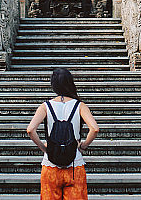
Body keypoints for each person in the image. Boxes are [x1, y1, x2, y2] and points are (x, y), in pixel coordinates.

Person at [27, 68, 100, 200]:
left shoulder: (45, 106)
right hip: (74, 165)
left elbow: (30, 130)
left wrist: (45, 148)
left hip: (50, 165)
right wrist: (83, 146)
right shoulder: (80, 105)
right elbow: (94, 129)